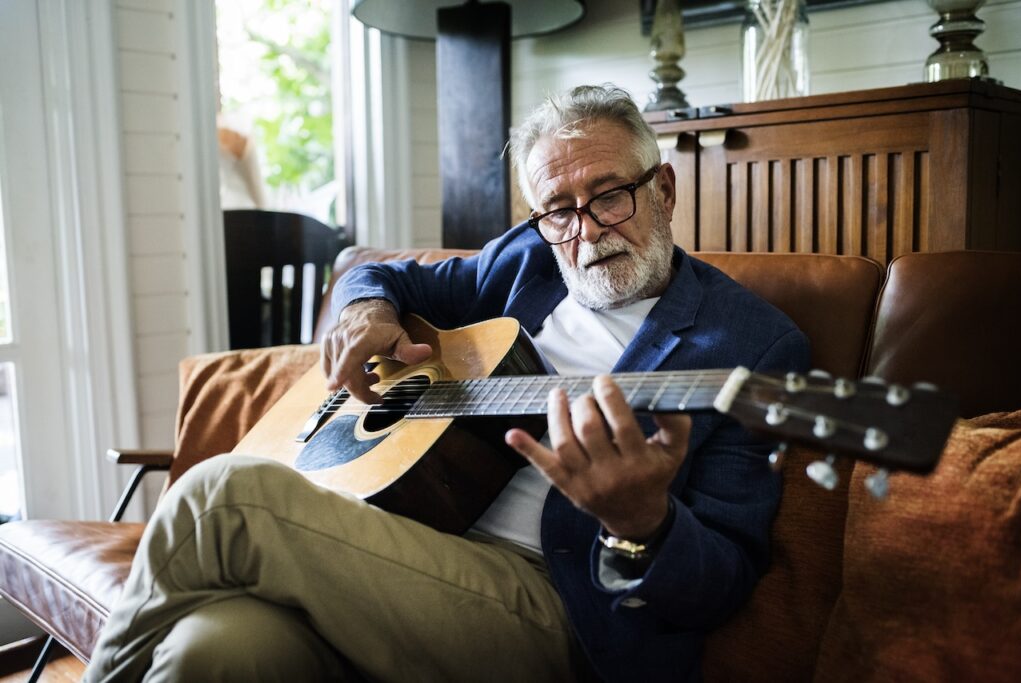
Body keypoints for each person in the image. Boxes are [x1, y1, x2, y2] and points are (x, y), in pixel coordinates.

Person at [85, 85, 808, 682]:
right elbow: (386, 274)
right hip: (406, 539)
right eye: (559, 208)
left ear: (665, 188)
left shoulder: (752, 344)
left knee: (223, 495)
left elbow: (725, 576)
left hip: (558, 605)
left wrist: (643, 523)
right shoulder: (528, 258)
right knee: (210, 648)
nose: (585, 231)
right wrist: (366, 308)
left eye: (610, 193)